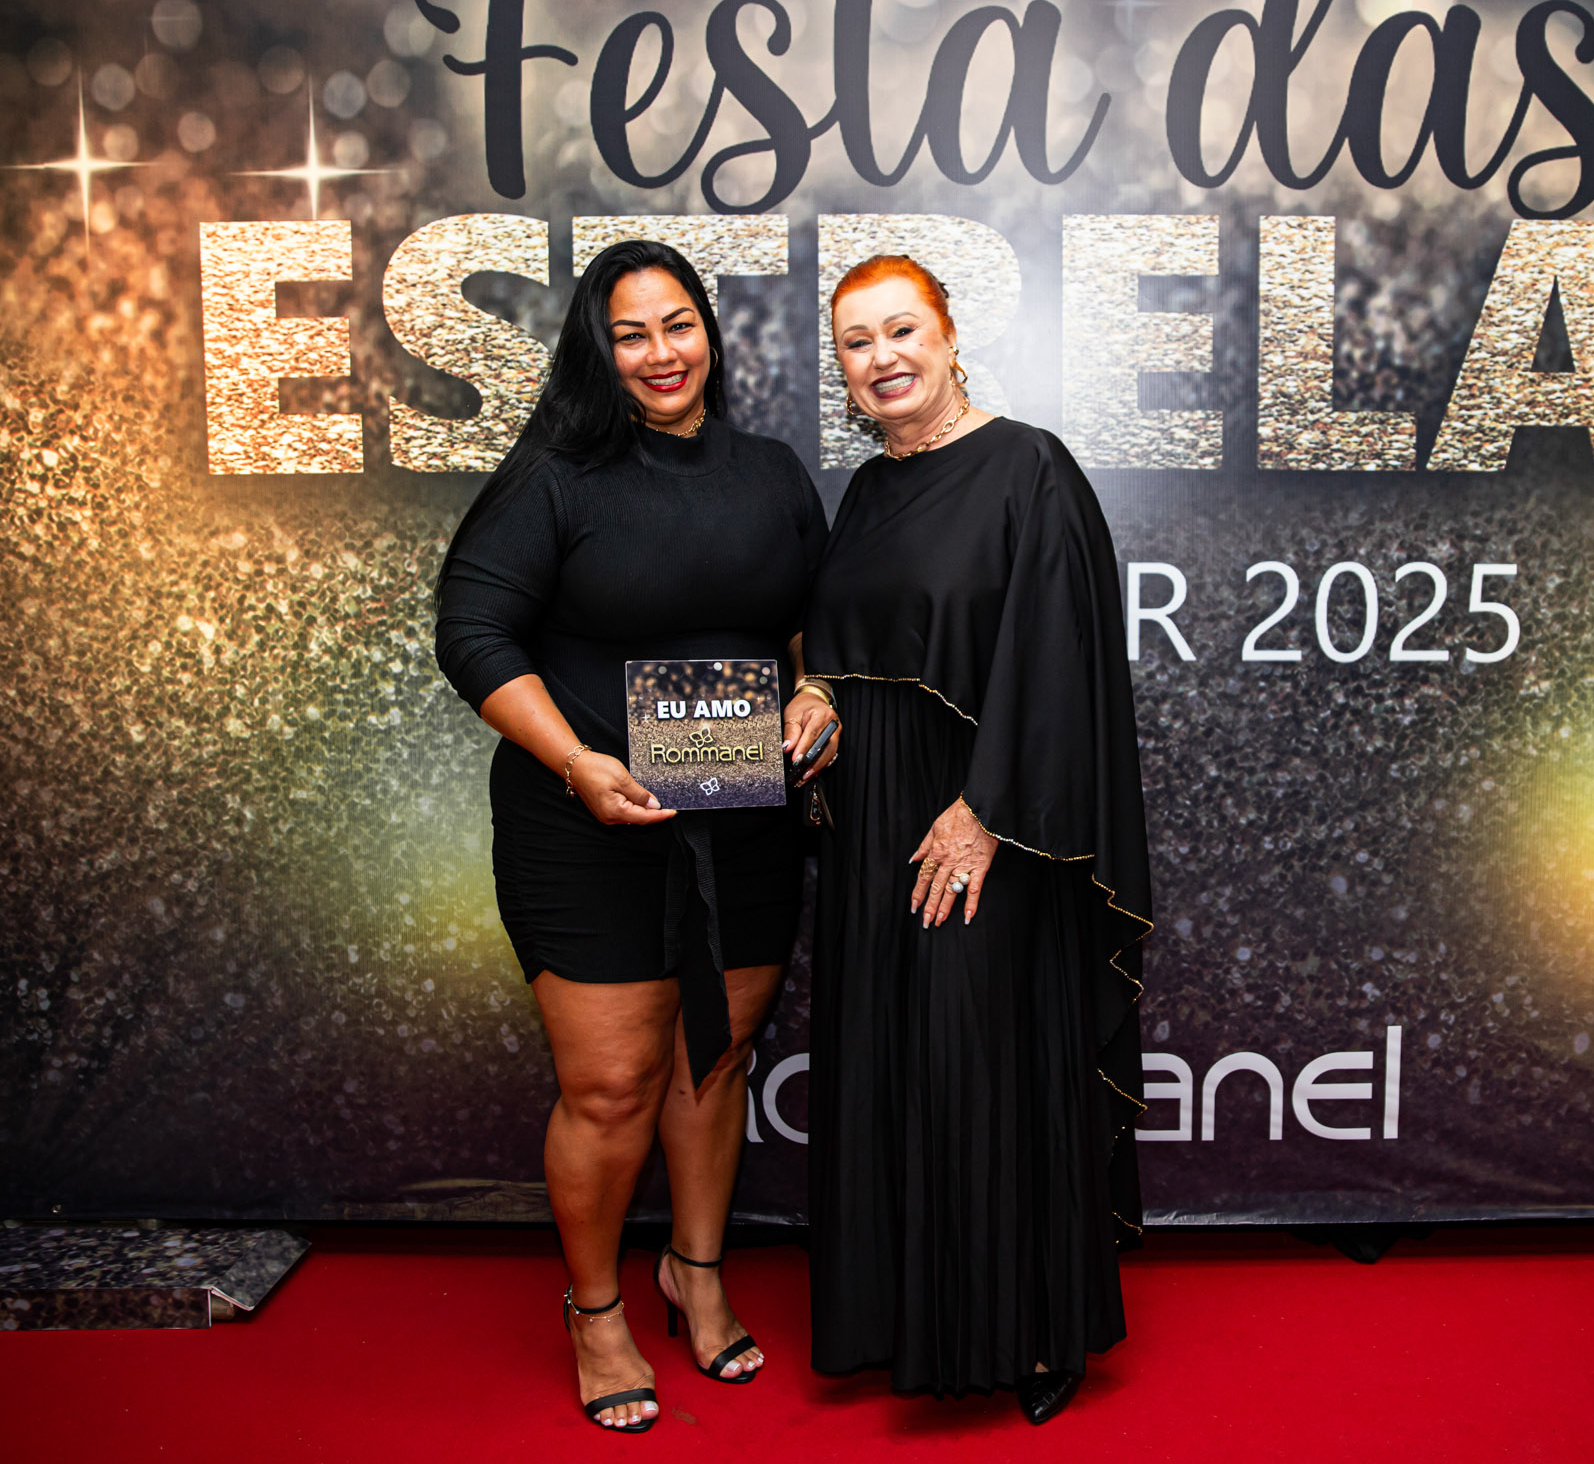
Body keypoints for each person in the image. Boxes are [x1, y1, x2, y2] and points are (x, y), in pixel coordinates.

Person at [434, 240, 839, 1432]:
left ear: (708, 330)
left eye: (677, 325)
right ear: (596, 351)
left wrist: (816, 690)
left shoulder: (771, 473)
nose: (661, 354)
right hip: (586, 822)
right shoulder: (553, 478)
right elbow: (473, 635)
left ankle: (694, 1274)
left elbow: (814, 621)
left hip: (741, 813)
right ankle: (597, 1308)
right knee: (611, 1087)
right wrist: (575, 761)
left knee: (714, 1058)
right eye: (630, 334)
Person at [801, 254, 1152, 1424]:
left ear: (949, 336)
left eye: (902, 330)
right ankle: (903, 1319)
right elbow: (848, 647)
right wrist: (818, 700)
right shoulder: (862, 490)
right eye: (857, 342)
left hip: (986, 822)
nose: (883, 357)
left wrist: (985, 809)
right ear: (842, 369)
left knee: (979, 1063)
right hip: (872, 828)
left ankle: (1032, 1328)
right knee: (890, 1065)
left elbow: (1060, 657)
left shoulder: (1029, 467)